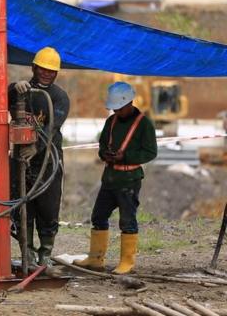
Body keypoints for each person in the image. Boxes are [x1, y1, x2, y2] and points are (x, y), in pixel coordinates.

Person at [74, 81, 157, 274]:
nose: (116, 112)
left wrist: (125, 157)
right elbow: (102, 145)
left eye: (119, 109)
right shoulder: (110, 122)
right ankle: (96, 259)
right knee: (98, 217)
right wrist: (105, 154)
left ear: (129, 103)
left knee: (127, 221)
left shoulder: (144, 124)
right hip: (110, 178)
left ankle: (127, 262)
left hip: (129, 180)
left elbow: (150, 152)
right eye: (114, 109)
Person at [9, 47, 70, 269]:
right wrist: (14, 88)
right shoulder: (22, 91)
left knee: (48, 206)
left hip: (48, 161)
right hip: (20, 160)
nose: (46, 74)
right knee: (22, 205)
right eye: (42, 69)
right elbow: (3, 97)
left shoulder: (59, 97)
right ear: (33, 68)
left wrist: (36, 147)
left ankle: (45, 253)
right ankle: (27, 251)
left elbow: (52, 126)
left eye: (51, 71)